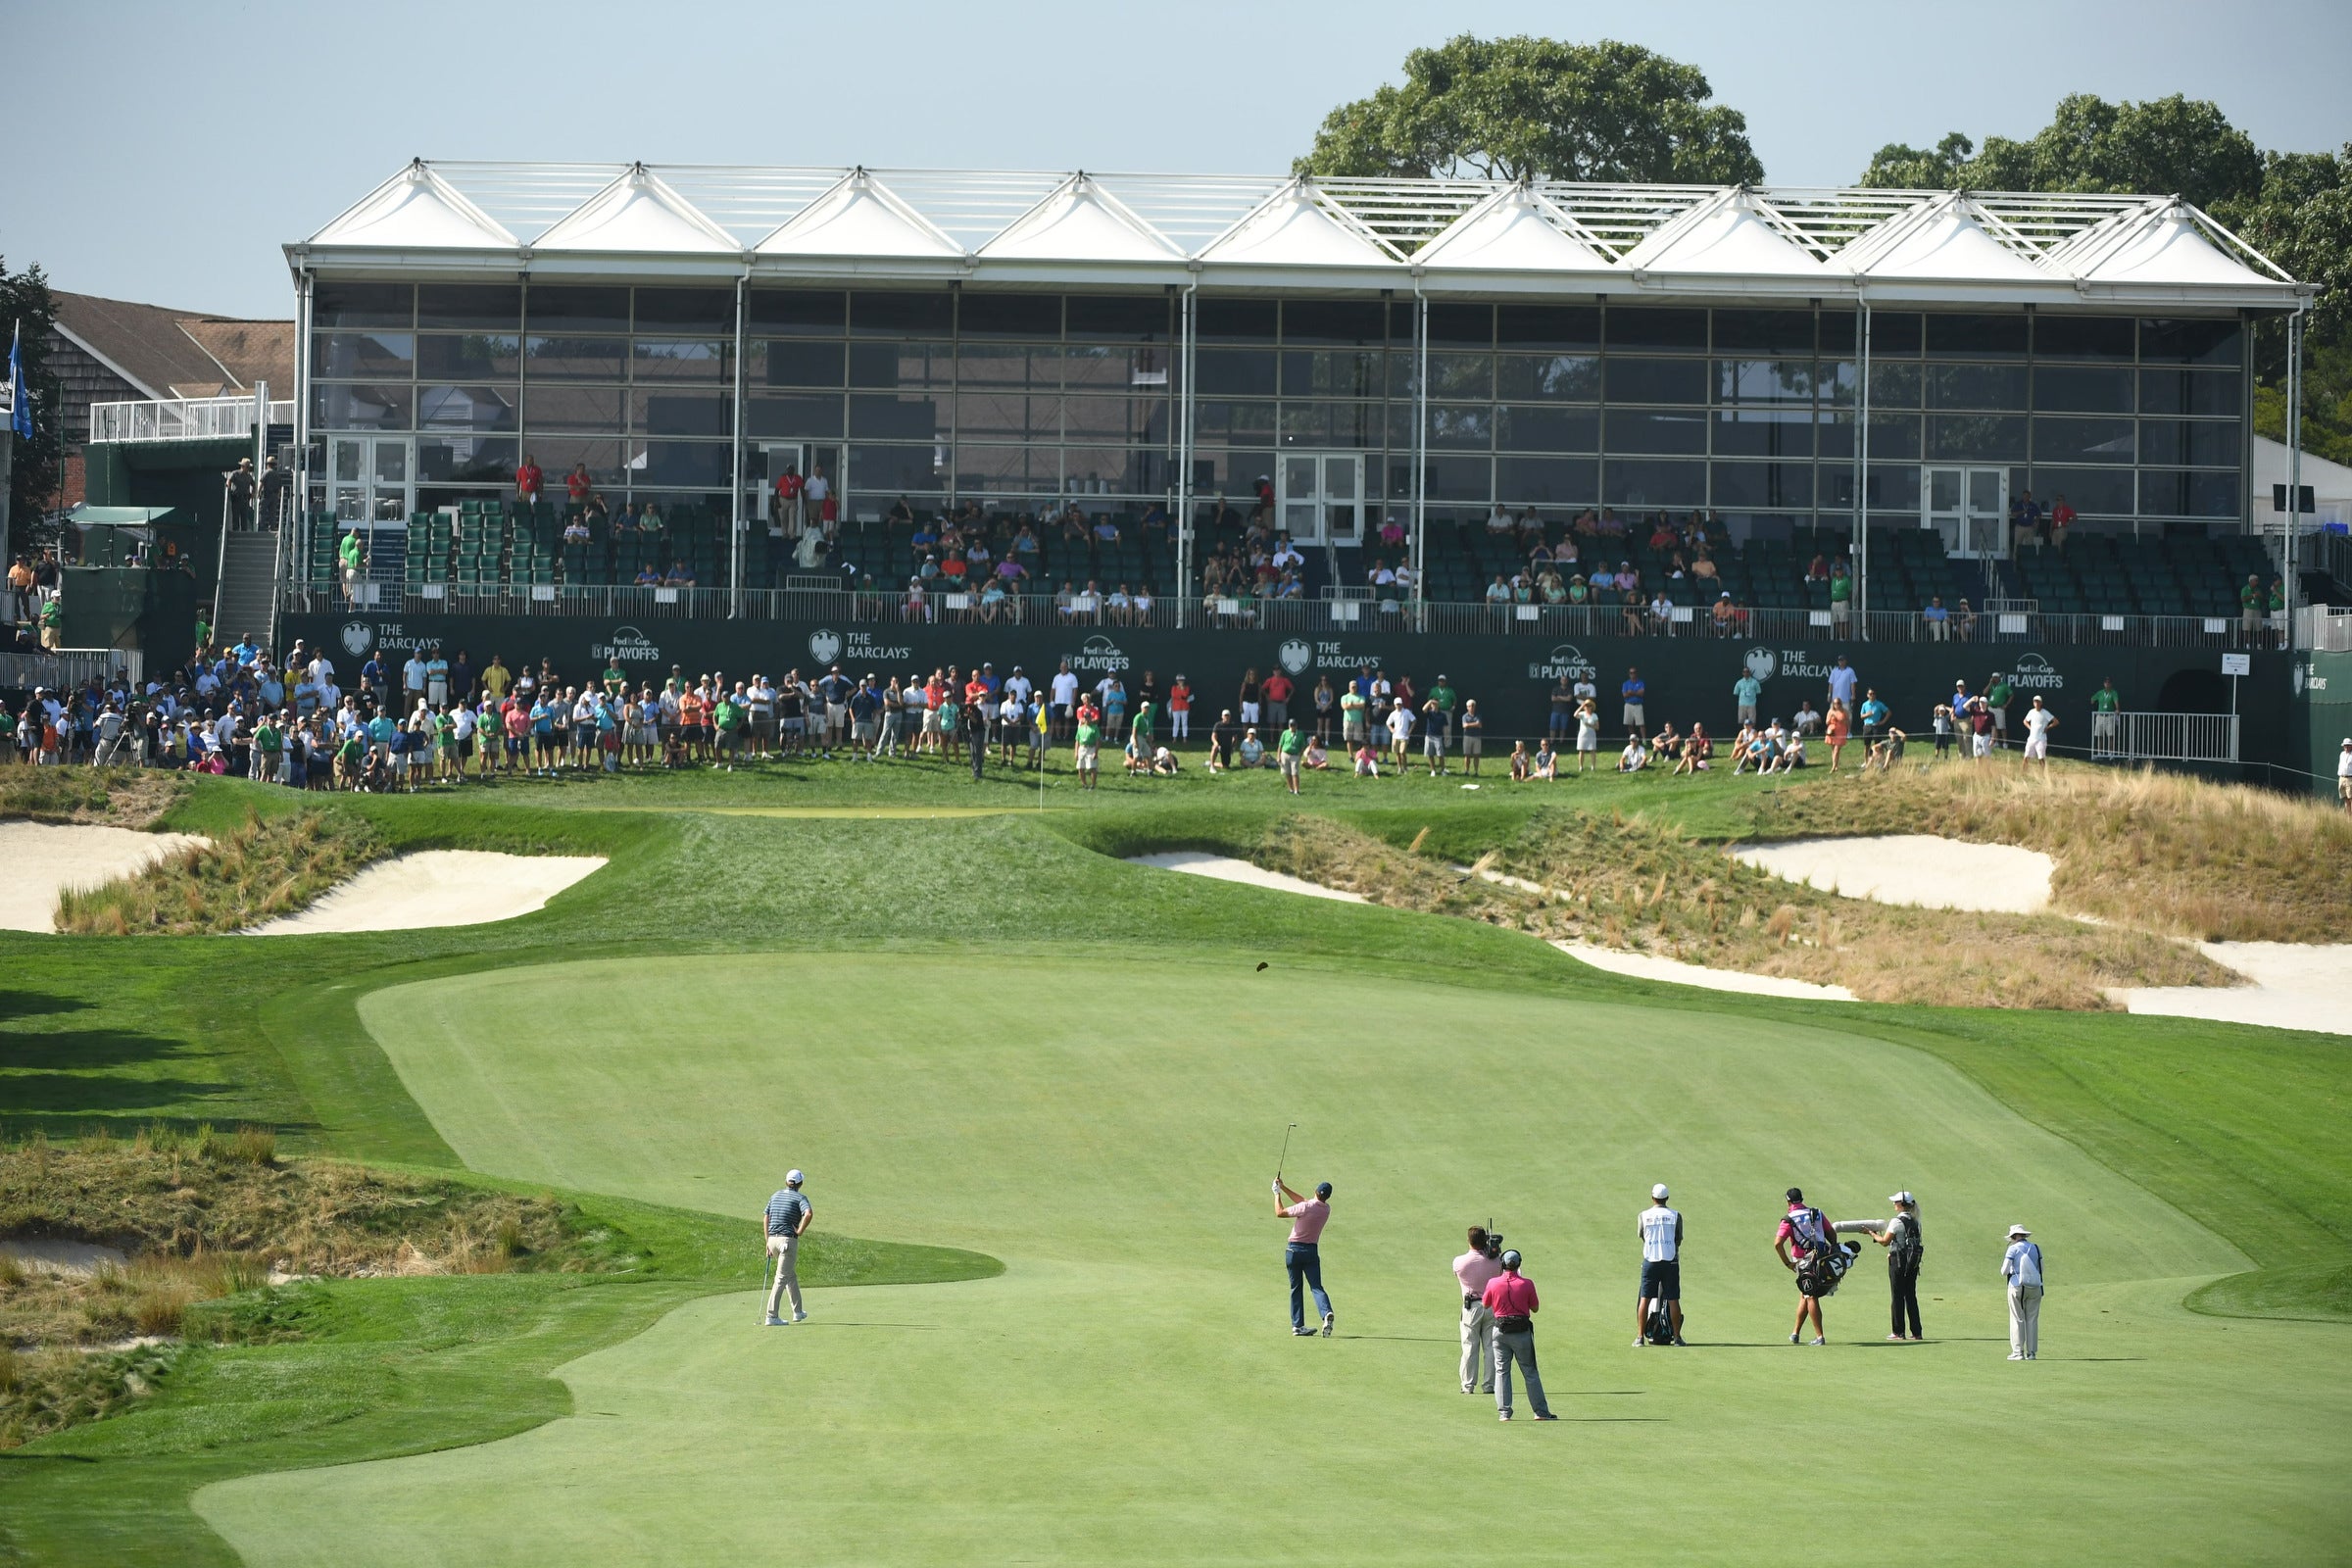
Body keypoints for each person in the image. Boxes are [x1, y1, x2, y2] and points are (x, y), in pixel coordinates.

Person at [1481, 1249, 1554, 1421]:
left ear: (1502, 1264)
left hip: (1500, 1331)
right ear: (1519, 1264)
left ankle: (1504, 1413)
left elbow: (1485, 1304)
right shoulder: (1527, 1284)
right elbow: (1535, 1308)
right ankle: (1540, 1412)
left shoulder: (1493, 1283)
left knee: (1501, 1371)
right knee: (1530, 1371)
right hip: (1521, 1332)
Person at [1274, 1177, 1336, 1337]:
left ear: (1315, 1191)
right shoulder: (1326, 1209)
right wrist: (1284, 1187)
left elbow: (1279, 1212)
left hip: (1293, 1251)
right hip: (1311, 1252)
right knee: (1316, 1287)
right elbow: (1304, 1201)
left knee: (1296, 1288)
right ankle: (1326, 1312)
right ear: (1327, 1197)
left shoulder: (1306, 1207)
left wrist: (1277, 1193)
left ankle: (1297, 1326)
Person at [1774, 1188, 1835, 1346]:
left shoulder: (1788, 1219)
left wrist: (1787, 1263)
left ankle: (1819, 1337)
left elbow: (1778, 1243)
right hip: (1821, 1258)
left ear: (1788, 1202)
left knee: (1810, 1295)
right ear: (1802, 1199)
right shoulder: (1816, 1213)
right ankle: (1795, 1333)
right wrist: (1833, 1249)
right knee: (1805, 1293)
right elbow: (1831, 1233)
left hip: (1803, 1262)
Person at [1453, 1226, 1504, 1395]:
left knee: (1470, 1346)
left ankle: (1468, 1385)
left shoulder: (1460, 1262)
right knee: (1490, 1347)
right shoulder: (1496, 1261)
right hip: (1492, 1307)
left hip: (1471, 1307)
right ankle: (1489, 1385)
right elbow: (1500, 1272)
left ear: (1469, 1241)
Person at [1637, 1183, 1686, 1347]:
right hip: (1670, 1261)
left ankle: (1639, 1338)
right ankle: (1677, 1338)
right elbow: (1678, 1238)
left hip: (1650, 1260)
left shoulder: (1644, 1215)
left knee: (1645, 1299)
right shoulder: (1675, 1216)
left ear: (1653, 1198)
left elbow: (1642, 1235)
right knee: (1673, 1299)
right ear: (1667, 1198)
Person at [761, 1170, 813, 1326]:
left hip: (773, 1240)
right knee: (781, 1278)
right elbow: (808, 1214)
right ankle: (771, 1316)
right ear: (800, 1183)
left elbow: (766, 1217)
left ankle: (798, 1311)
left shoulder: (775, 1195)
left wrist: (767, 1241)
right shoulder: (800, 1198)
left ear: (786, 1182)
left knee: (789, 1275)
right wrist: (800, 1231)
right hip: (787, 1242)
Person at [1873, 1191, 1925, 1342]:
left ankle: (1898, 1332)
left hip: (1898, 1262)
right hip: (1912, 1263)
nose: (1894, 1204)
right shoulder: (1916, 1221)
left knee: (1897, 1296)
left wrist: (1871, 1234)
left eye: (1896, 1202)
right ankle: (1917, 1332)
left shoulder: (1896, 1221)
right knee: (1910, 1296)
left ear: (1902, 1204)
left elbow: (1885, 1241)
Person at [2001, 1223, 2043, 1360]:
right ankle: (2032, 1353)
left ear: (2014, 1236)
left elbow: (2004, 1271)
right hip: (2035, 1287)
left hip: (2016, 1286)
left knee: (2017, 1318)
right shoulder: (2036, 1248)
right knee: (2032, 1319)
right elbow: (2041, 1268)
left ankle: (2018, 1352)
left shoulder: (2013, 1249)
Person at [2020, 695, 2057, 769]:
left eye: (2038, 702)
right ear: (2033, 703)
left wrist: (2048, 727)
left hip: (2041, 739)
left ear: (2041, 703)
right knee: (2026, 756)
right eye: (2035, 702)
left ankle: (2043, 774)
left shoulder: (2045, 712)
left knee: (2041, 758)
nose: (2036, 703)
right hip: (2031, 738)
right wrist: (2030, 728)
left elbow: (2056, 721)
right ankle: (2023, 772)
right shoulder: (2031, 712)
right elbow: (2025, 721)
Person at [1277, 718, 1304, 796]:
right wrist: (1278, 756)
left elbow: (1302, 745)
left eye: (1294, 725)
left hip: (1295, 755)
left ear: (1296, 726)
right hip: (1285, 754)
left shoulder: (1300, 734)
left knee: (1295, 773)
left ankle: (1296, 790)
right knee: (1287, 773)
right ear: (1289, 726)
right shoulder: (1285, 733)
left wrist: (1300, 755)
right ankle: (1291, 789)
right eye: (1291, 725)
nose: (1292, 727)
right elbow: (1280, 745)